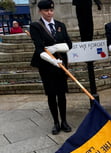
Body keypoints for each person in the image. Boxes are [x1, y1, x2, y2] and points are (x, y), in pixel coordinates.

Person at [29, 0, 72, 135]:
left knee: (62, 94)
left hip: (61, 64)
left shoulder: (60, 25)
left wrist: (55, 48)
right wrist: (53, 61)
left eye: (51, 10)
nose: (49, 13)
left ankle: (64, 121)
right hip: (47, 66)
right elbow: (39, 49)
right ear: (40, 11)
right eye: (46, 10)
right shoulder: (36, 26)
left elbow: (69, 45)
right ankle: (56, 122)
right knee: (52, 95)